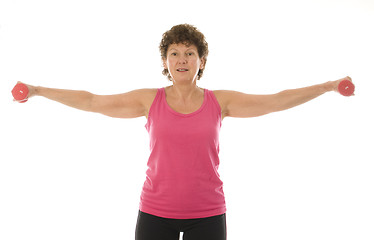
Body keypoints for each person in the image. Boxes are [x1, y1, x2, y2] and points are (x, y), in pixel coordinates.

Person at [14, 24, 353, 240]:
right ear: (165, 61)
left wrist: (326, 87)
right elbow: (91, 101)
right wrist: (39, 90)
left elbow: (277, 101)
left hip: (207, 215)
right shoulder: (149, 100)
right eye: (174, 53)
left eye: (190, 53)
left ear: (201, 61)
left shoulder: (221, 102)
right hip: (154, 213)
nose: (182, 58)